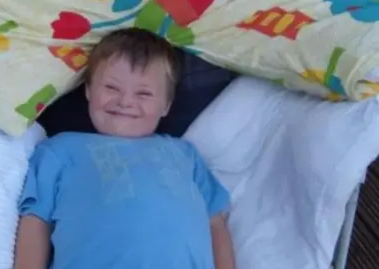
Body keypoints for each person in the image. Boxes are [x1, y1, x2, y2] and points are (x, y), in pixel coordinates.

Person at [14, 28, 236, 269]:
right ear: (88, 90)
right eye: (112, 88)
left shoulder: (184, 154)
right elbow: (35, 221)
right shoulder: (60, 149)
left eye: (144, 93)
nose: (126, 101)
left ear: (166, 105)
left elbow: (216, 224)